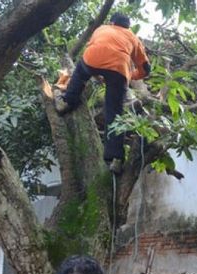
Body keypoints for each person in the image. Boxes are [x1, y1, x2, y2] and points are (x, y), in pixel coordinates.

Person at [55, 13, 151, 173]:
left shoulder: (103, 28)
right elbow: (146, 69)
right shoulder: (133, 38)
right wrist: (129, 75)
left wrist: (98, 73)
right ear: (127, 26)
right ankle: (115, 159)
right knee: (114, 113)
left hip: (93, 59)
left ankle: (66, 101)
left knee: (80, 71)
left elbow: (95, 49)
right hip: (119, 71)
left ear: (112, 22)